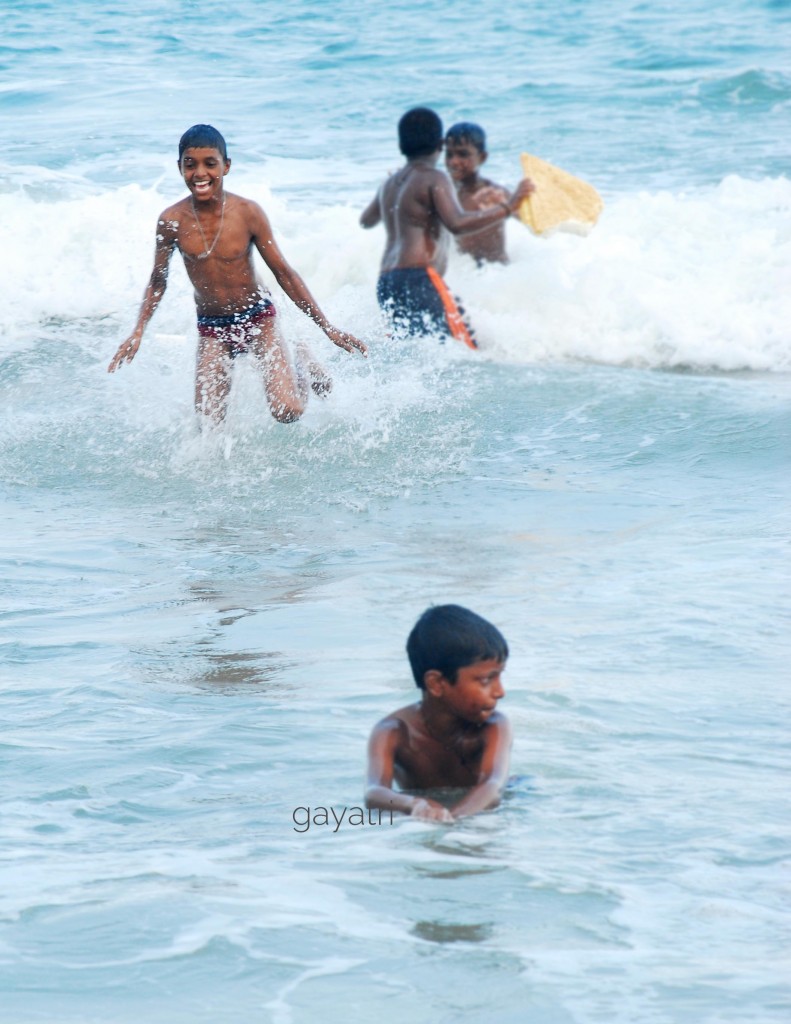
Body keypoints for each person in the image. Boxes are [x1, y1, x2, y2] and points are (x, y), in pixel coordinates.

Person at [109, 124, 367, 424]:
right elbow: (157, 280)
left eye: (210, 164)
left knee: (287, 411)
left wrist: (327, 326)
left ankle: (302, 361)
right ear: (179, 167)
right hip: (212, 328)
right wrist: (138, 330)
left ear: (226, 166)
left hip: (258, 319)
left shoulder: (247, 213)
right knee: (209, 424)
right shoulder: (171, 221)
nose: (200, 173)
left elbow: (284, 273)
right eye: (190, 165)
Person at [360, 107, 534, 347]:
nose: (453, 162)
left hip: (388, 281)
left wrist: (393, 194)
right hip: (418, 277)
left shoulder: (392, 182)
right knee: (463, 348)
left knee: (417, 353)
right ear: (439, 145)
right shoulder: (434, 178)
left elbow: (367, 220)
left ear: (401, 146)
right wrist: (508, 206)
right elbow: (457, 224)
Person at [365, 605, 512, 823]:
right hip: (430, 807)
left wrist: (451, 822)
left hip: (482, 803)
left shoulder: (494, 726)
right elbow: (374, 793)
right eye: (486, 679)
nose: (500, 692)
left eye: (500, 677)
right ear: (436, 684)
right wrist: (415, 804)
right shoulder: (394, 731)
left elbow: (493, 786)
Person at [445, 122, 510, 265]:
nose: (454, 161)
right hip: (465, 276)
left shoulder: (494, 193)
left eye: (463, 154)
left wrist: (507, 206)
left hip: (496, 274)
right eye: (449, 154)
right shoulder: (443, 193)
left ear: (482, 157)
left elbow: (531, 219)